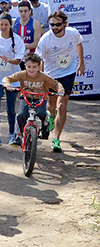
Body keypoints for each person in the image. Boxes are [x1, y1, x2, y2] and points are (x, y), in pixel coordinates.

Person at [35, 10, 85, 153]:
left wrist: (81, 63)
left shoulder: (73, 33)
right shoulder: (45, 39)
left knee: (61, 105)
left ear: (65, 24)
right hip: (51, 74)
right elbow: (38, 59)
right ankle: (51, 116)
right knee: (51, 106)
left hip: (68, 73)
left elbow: (79, 44)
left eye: (58, 25)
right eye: (52, 25)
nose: (55, 28)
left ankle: (56, 139)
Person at [2, 53, 64, 143]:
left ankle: (45, 127)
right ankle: (19, 136)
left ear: (39, 67)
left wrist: (60, 90)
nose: (31, 69)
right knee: (21, 115)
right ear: (25, 66)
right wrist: (7, 84)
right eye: (29, 67)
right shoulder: (22, 74)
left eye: (34, 67)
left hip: (40, 98)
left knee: (42, 113)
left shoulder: (43, 77)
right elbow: (7, 78)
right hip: (26, 97)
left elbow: (56, 84)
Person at [0, 14, 25, 150]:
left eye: (6, 24)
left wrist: (8, 60)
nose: (3, 27)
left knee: (10, 108)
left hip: (12, 78)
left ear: (10, 25)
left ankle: (11, 134)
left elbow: (19, 60)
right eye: (1, 24)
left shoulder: (17, 40)